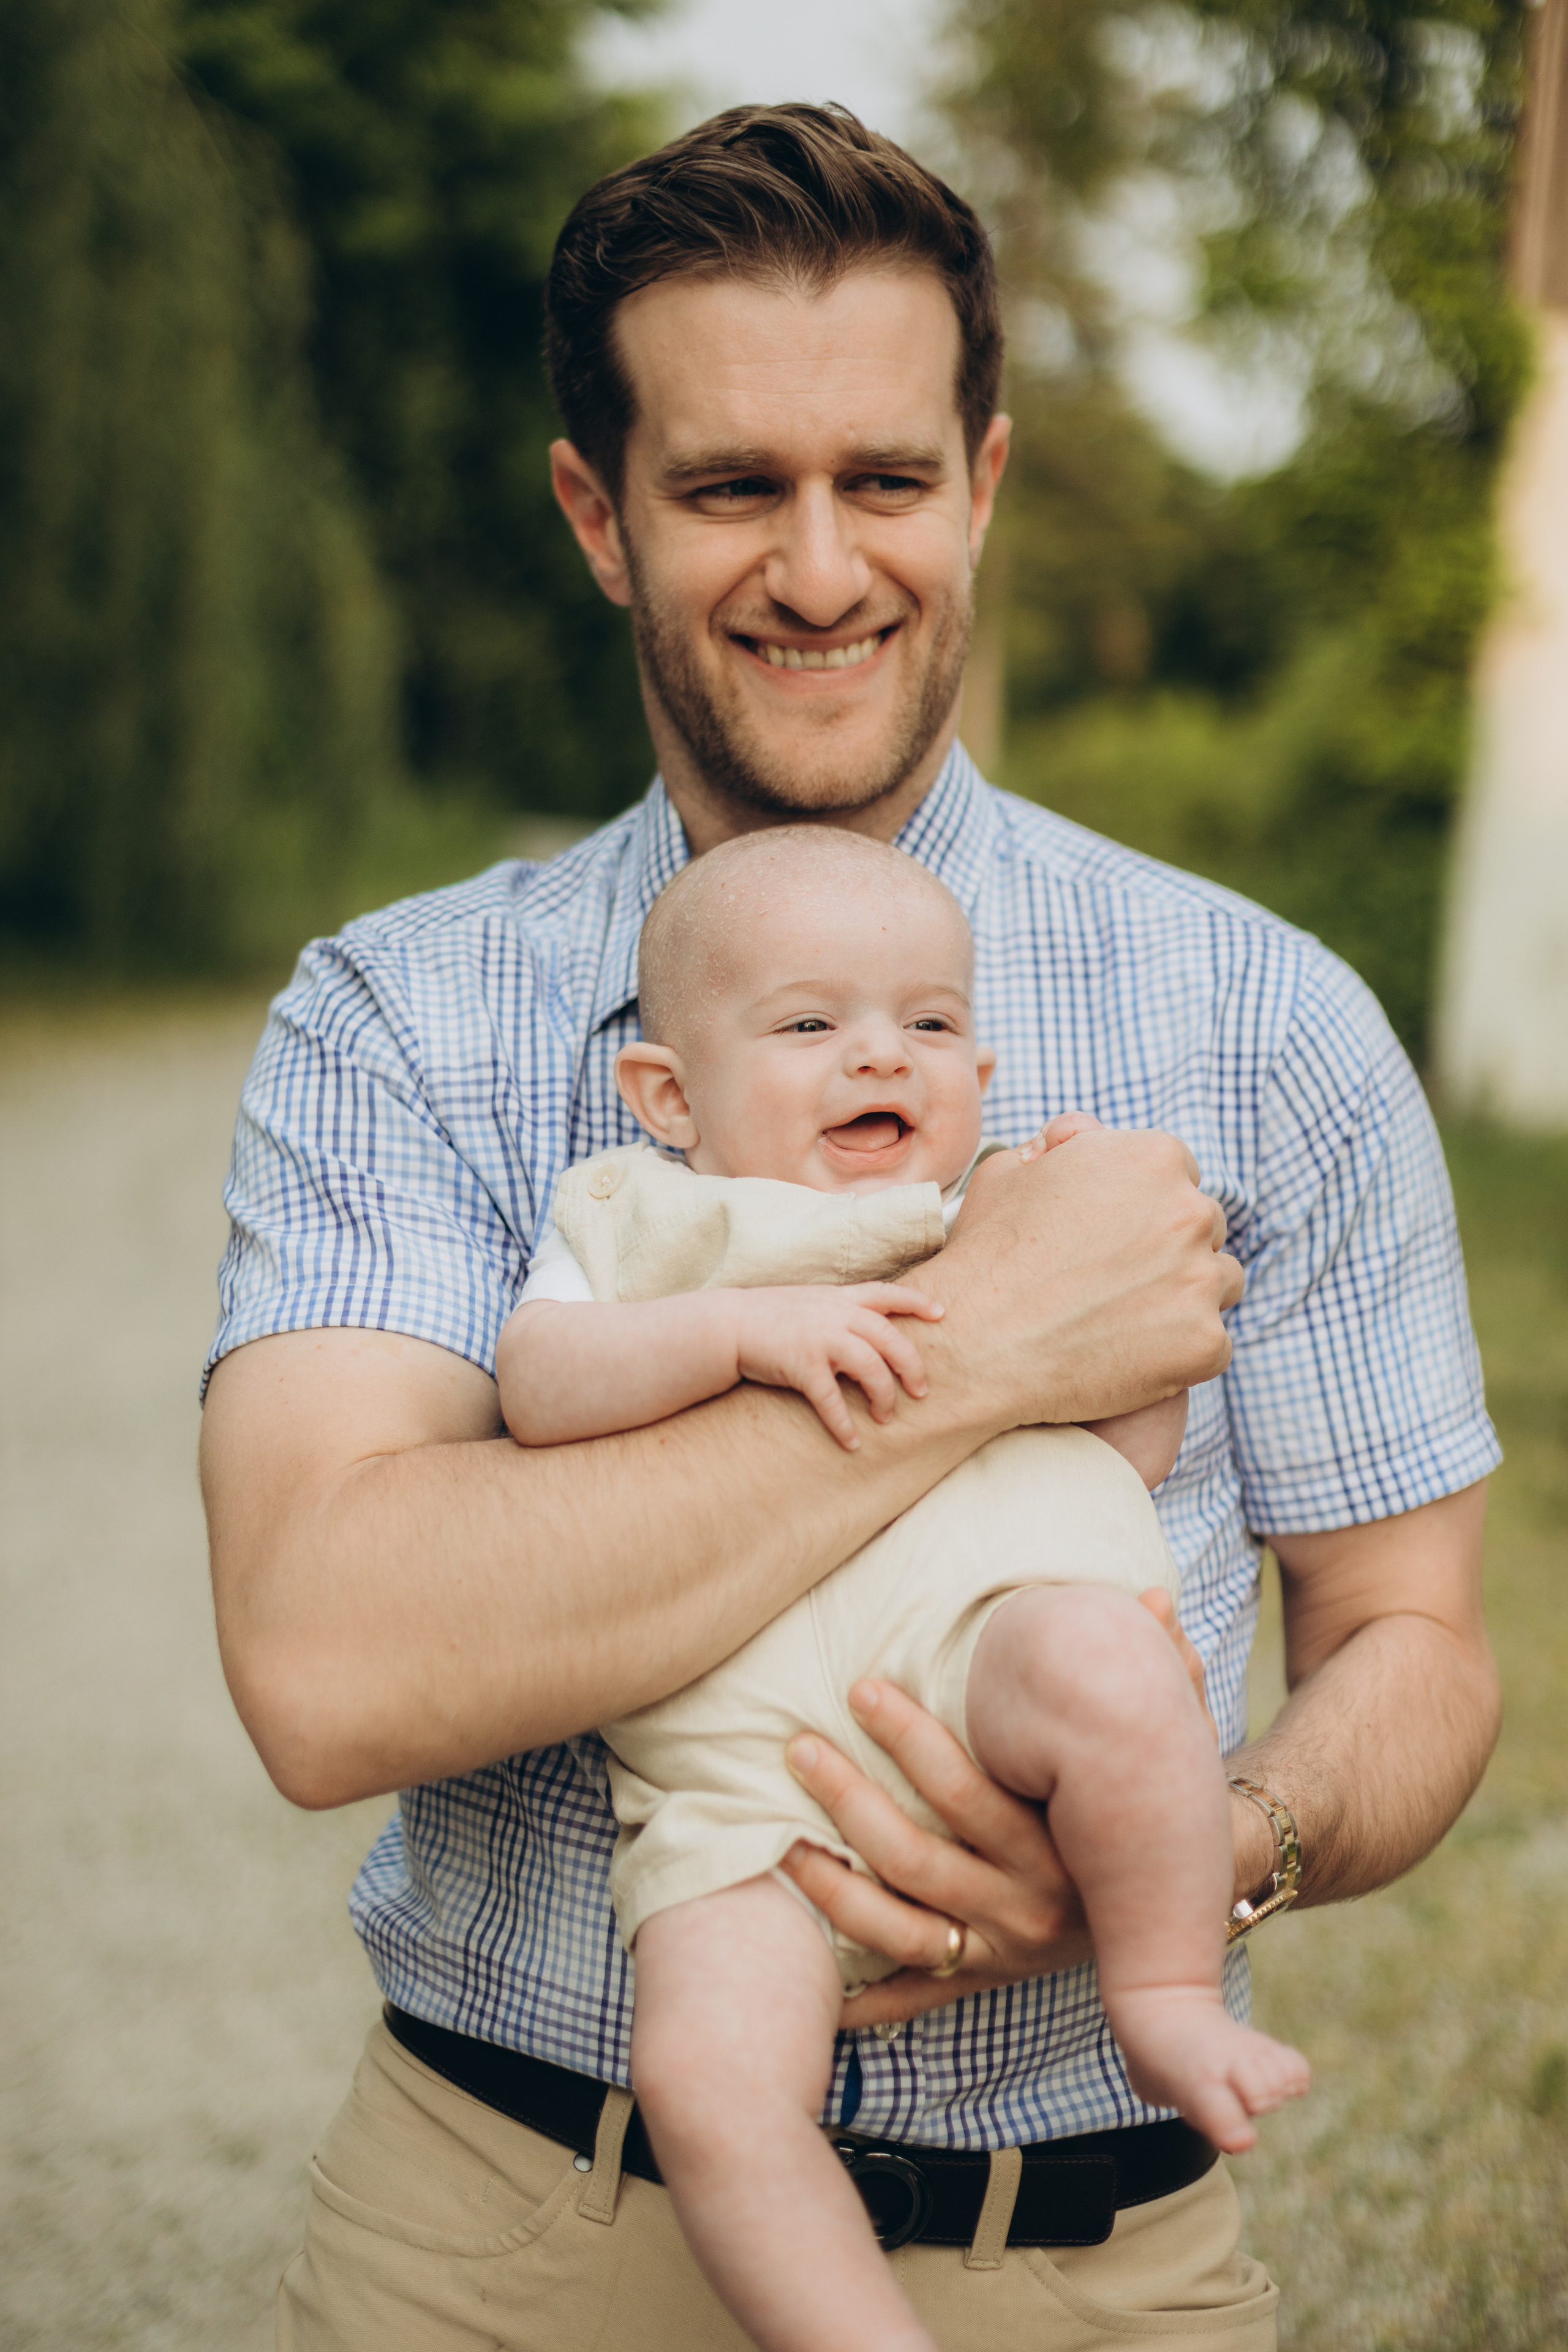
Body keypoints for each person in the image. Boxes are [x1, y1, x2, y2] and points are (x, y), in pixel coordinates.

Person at [200, 104, 1501, 2352]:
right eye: (732, 489)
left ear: (982, 482)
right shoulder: (397, 1019)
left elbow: (1418, 1639)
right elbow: (329, 1667)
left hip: (1093, 2264)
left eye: (885, 482)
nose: (822, 570)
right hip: (514, 2240)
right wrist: (988, 1351)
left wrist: (1220, 1825)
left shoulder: (1265, 1016)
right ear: (598, 515)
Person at [496, 823, 1310, 2352]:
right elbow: (540, 1383)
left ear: (980, 1078)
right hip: (739, 1780)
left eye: (928, 1024)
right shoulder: (641, 1220)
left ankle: (1160, 1999)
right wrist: (739, 1335)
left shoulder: (1000, 1218)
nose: (882, 1055)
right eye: (811, 1025)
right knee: (711, 2086)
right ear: (669, 1095)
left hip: (985, 1652)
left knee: (1120, 1676)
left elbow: (1128, 1445)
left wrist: (1091, 1275)